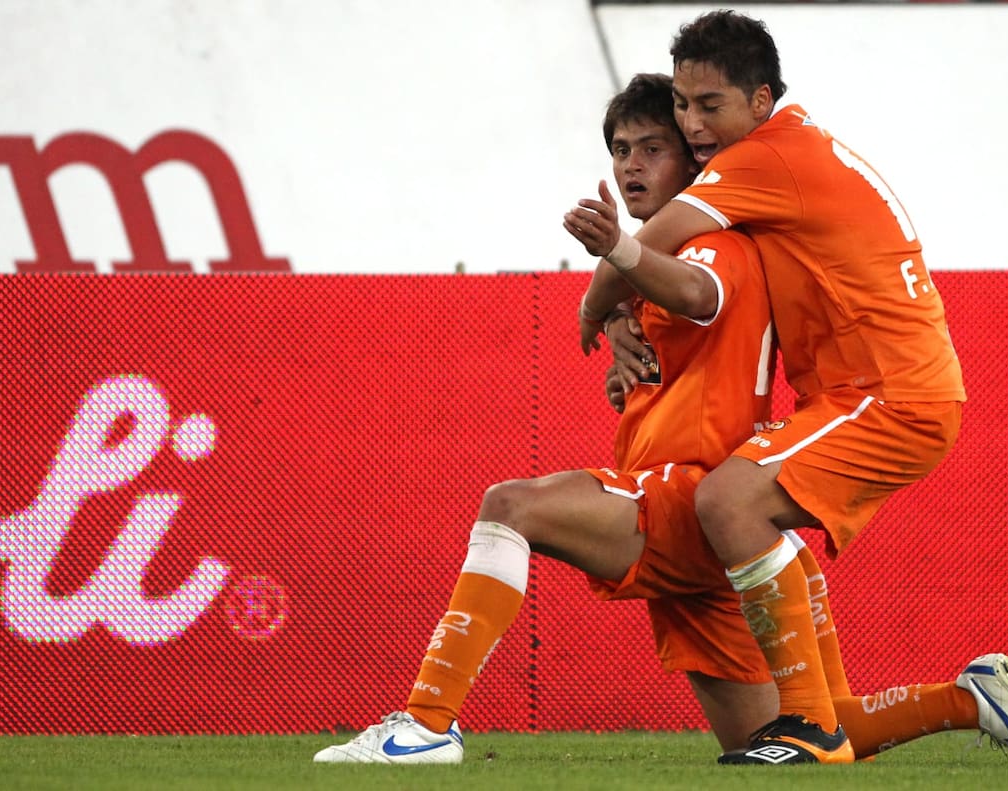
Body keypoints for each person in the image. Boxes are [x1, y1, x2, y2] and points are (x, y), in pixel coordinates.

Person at [564, 10, 1008, 766]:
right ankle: (967, 697)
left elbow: (654, 238)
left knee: (728, 501)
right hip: (870, 395)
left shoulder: (763, 157)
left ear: (761, 101)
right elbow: (688, 275)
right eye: (683, 104)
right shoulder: (784, 159)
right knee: (821, 697)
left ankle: (806, 723)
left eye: (710, 105)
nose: (693, 124)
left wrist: (592, 307)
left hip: (890, 394)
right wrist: (632, 314)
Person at [313, 71, 779, 763]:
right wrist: (624, 344)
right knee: (782, 748)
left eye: (653, 148)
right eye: (621, 149)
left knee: (511, 505)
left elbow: (698, 293)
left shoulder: (717, 246)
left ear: (694, 159)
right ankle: (965, 700)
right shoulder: (656, 271)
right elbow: (679, 332)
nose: (631, 165)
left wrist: (618, 266)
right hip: (705, 526)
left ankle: (427, 724)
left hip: (692, 497)